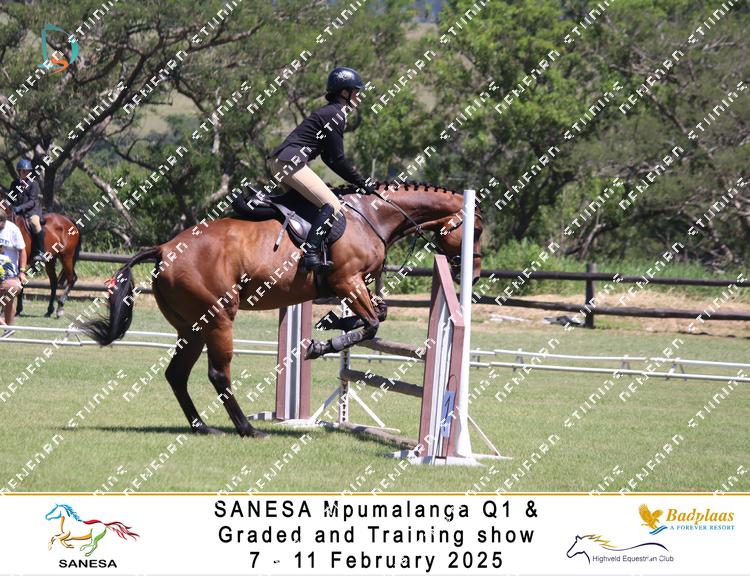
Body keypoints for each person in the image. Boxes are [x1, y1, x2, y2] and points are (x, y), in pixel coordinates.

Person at [267, 66, 377, 272]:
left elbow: (328, 158)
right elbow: (338, 159)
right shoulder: (336, 113)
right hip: (290, 162)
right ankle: (309, 255)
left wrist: (356, 180)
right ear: (344, 92)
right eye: (356, 91)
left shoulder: (331, 112)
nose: (359, 96)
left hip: (282, 161)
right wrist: (362, 182)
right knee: (332, 206)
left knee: (306, 208)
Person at [9, 158, 45, 264]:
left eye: (27, 171)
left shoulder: (33, 183)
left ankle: (41, 251)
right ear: (19, 171)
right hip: (17, 212)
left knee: (35, 223)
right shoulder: (14, 184)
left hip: (32, 211)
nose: (25, 173)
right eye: (23, 171)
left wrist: (20, 208)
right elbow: (10, 199)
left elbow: (32, 201)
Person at [0, 213, 28, 334]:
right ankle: (8, 328)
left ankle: (40, 248)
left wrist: (22, 272)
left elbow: (22, 251)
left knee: (36, 225)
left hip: (10, 274)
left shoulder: (13, 229)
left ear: (4, 221)